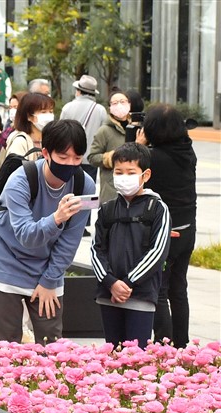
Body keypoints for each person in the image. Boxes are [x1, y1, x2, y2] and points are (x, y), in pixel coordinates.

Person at [0, 119, 96, 344]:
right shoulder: (20, 181)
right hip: (7, 261)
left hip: (47, 267)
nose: (71, 164)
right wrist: (57, 217)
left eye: (77, 158)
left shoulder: (86, 186)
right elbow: (26, 236)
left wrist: (49, 281)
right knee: (8, 349)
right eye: (63, 158)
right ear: (46, 153)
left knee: (51, 345)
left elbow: (70, 241)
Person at [91, 143, 171, 347]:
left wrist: (128, 283)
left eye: (130, 172)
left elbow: (158, 251)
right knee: (112, 356)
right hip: (109, 295)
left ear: (145, 175)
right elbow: (96, 249)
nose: (124, 177)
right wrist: (110, 282)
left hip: (140, 296)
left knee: (136, 359)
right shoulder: (107, 209)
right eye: (119, 172)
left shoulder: (157, 208)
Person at [139, 104, 197, 348]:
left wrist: (140, 145)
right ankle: (180, 343)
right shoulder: (187, 152)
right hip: (187, 229)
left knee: (159, 289)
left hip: (166, 232)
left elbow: (132, 172)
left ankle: (164, 343)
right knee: (178, 288)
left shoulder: (154, 157)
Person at [60, 75, 107, 185]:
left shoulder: (67, 107)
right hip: (90, 159)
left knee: (68, 189)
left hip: (69, 157)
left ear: (78, 91)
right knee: (87, 191)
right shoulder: (100, 110)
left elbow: (60, 133)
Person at [0, 92, 55, 173]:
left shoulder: (50, 139)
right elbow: (15, 175)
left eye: (50, 111)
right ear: (29, 116)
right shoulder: (20, 142)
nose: (48, 116)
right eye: (43, 112)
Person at [88, 90, 131, 203]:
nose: (119, 105)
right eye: (115, 103)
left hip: (134, 186)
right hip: (111, 190)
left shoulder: (136, 128)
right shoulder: (104, 130)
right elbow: (92, 157)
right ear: (109, 108)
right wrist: (112, 157)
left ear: (129, 104)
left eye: (123, 101)